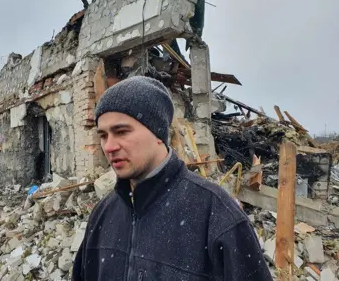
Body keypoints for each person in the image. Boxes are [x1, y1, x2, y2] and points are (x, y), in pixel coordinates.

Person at [72, 76, 272, 280]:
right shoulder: (103, 215)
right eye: (103, 135)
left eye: (121, 132)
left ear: (158, 133)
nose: (109, 146)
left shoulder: (217, 215)